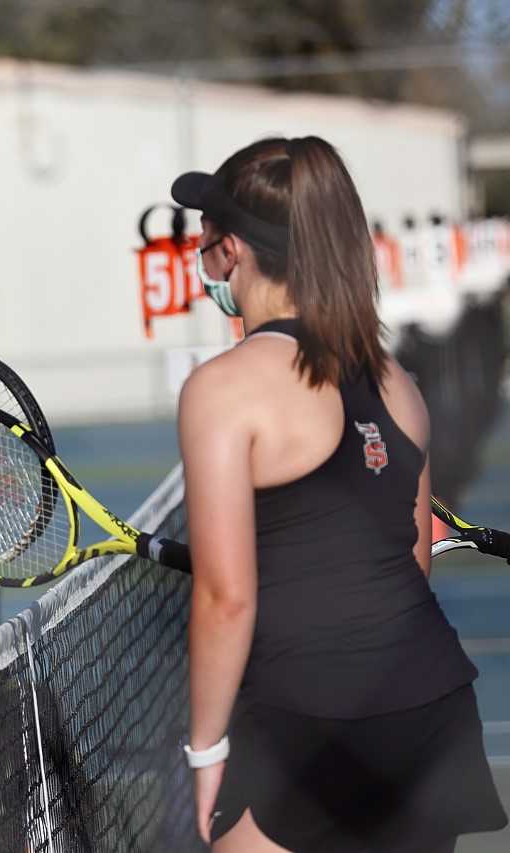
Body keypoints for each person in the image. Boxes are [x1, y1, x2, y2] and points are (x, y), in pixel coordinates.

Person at [172, 137, 506, 852]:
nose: (200, 258)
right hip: (431, 708)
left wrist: (205, 751)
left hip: (313, 722)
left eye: (203, 238)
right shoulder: (397, 383)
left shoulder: (222, 389)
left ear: (230, 251)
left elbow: (225, 598)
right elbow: (412, 562)